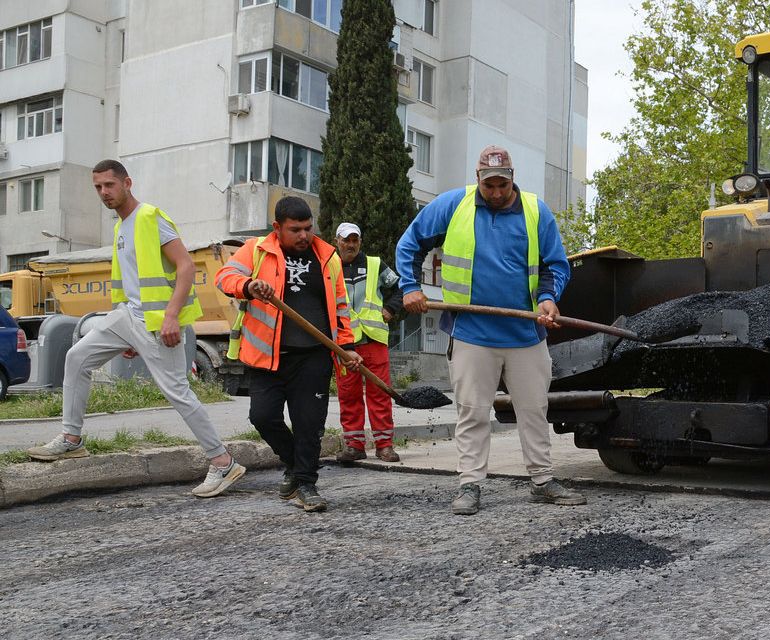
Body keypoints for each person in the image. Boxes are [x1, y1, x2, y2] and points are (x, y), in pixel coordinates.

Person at [26, 159, 245, 498]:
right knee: (77, 357)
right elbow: (129, 285)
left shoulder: (149, 217)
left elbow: (186, 267)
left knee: (178, 393)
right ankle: (72, 439)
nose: (103, 193)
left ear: (126, 183)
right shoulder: (120, 227)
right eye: (98, 187)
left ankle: (223, 462)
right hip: (128, 317)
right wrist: (123, 335)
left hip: (158, 324)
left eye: (109, 185)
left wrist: (171, 316)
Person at [396, 144, 585, 515]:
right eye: (489, 186)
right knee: (473, 412)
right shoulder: (454, 205)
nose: (496, 193)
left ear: (513, 179)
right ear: (477, 180)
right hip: (472, 333)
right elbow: (410, 243)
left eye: (502, 184)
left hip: (525, 334)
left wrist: (548, 298)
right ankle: (470, 484)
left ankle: (543, 481)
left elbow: (556, 264)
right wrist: (410, 287)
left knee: (534, 409)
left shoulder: (535, 211)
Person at [215, 197, 362, 512]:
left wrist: (347, 346)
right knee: (263, 417)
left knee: (310, 423)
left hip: (313, 356)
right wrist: (248, 285)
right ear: (277, 228)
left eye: (308, 228)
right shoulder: (256, 250)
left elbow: (340, 308)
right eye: (295, 230)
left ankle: (306, 484)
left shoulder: (327, 257)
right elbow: (224, 278)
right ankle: (295, 465)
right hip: (268, 356)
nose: (304, 236)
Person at [332, 222, 405, 463]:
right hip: (342, 343)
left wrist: (391, 309)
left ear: (360, 242)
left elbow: (399, 289)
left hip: (374, 340)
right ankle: (354, 446)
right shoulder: (330, 267)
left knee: (379, 393)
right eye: (346, 240)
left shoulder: (375, 264)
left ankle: (384, 445)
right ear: (337, 241)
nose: (350, 244)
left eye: (354, 240)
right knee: (348, 393)